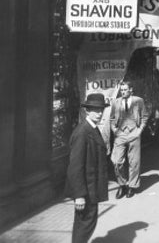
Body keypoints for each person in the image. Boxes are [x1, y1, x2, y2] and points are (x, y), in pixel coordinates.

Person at [65, 93, 110, 243]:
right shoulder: (82, 132)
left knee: (86, 224)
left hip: (91, 188)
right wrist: (79, 195)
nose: (99, 113)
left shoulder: (92, 128)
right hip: (86, 190)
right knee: (84, 225)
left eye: (101, 109)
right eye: (95, 109)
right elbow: (75, 167)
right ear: (86, 111)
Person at [110, 81, 149, 198]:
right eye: (121, 90)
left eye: (125, 90)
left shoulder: (139, 101)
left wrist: (139, 130)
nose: (123, 92)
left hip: (134, 133)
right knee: (116, 161)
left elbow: (145, 117)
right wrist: (115, 130)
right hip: (120, 134)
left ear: (131, 90)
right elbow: (111, 119)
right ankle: (122, 184)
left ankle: (132, 186)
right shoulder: (116, 102)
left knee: (134, 162)